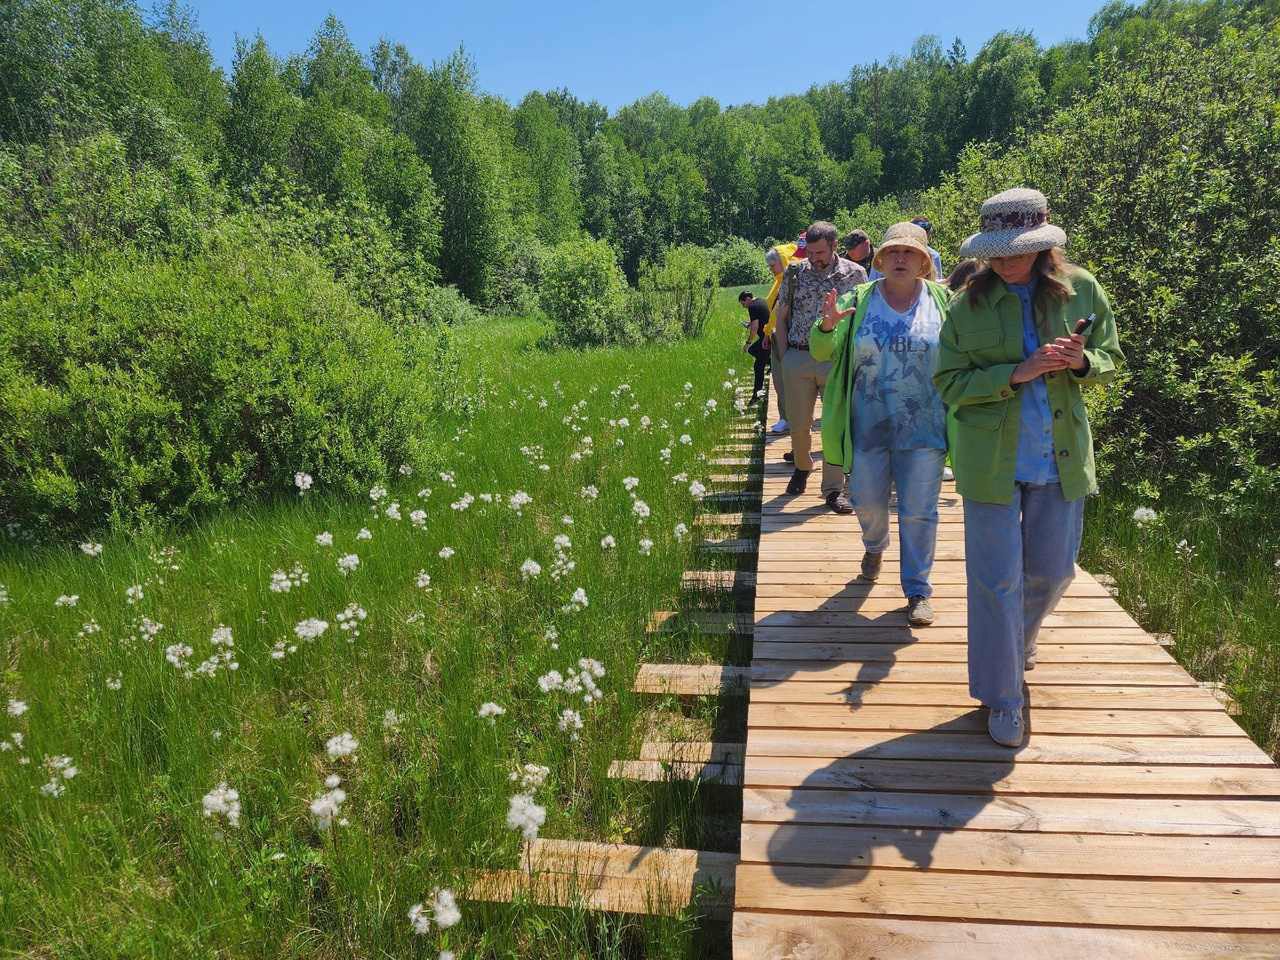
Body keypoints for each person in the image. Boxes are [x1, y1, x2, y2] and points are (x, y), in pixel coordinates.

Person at [933, 188, 1124, 748]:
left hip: (1058, 456)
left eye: (1018, 249)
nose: (1007, 260)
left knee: (1054, 571)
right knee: (995, 581)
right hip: (988, 461)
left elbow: (1111, 358)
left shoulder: (1081, 289)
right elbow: (947, 383)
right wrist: (1014, 373)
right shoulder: (966, 303)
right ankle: (1004, 697)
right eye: (998, 251)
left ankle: (1019, 638)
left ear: (1044, 246)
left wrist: (1082, 360)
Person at [813, 222, 951, 626]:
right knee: (867, 501)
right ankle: (875, 545)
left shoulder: (944, 302)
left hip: (926, 427)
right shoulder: (858, 299)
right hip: (868, 424)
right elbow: (823, 350)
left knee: (919, 511)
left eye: (910, 253)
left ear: (924, 261)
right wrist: (825, 325)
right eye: (893, 252)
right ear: (881, 259)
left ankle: (918, 589)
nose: (901, 259)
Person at [775, 221, 867, 512]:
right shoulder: (794, 272)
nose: (814, 258)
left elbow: (862, 318)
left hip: (836, 359)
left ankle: (833, 489)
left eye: (820, 252)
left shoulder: (855, 274)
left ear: (834, 246)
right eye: (810, 253)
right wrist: (785, 354)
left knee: (834, 425)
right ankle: (802, 466)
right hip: (798, 356)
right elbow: (783, 314)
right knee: (799, 424)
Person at [739, 290, 771, 402]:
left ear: (747, 299)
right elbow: (762, 318)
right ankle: (770, 362)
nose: (744, 307)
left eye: (743, 304)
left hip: (766, 340)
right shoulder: (761, 301)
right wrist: (749, 323)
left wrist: (747, 343)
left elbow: (755, 328)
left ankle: (756, 394)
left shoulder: (752, 307)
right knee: (757, 358)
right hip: (770, 336)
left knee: (758, 365)